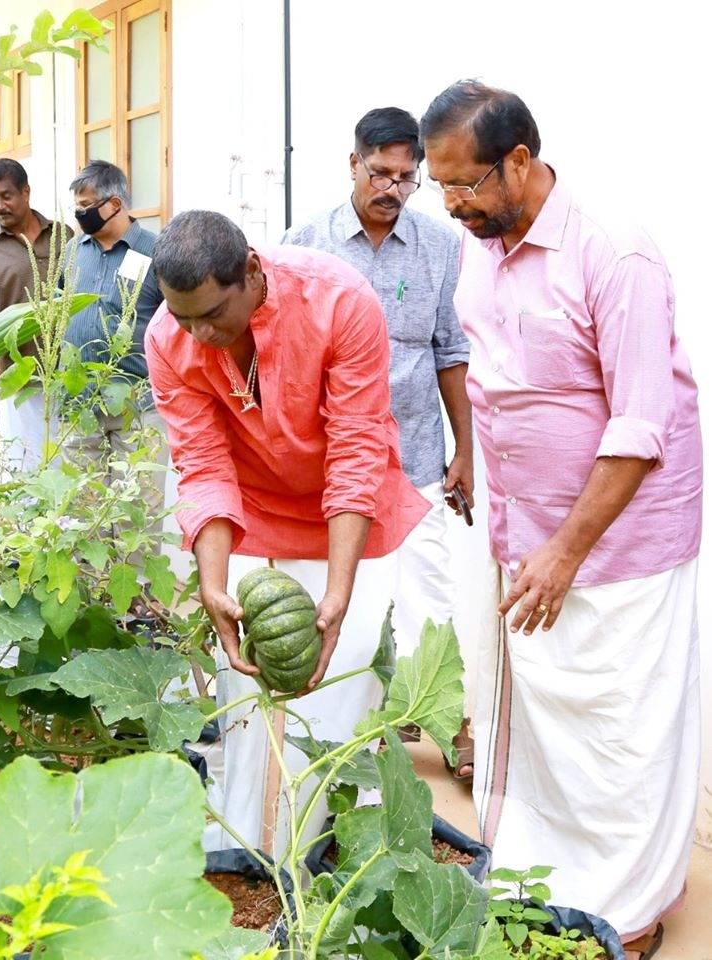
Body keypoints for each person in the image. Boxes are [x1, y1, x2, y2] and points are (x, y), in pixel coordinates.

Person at [419, 79, 702, 960]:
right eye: (441, 188)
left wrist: (565, 552)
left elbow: (638, 425)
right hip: (524, 528)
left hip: (616, 542)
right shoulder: (483, 243)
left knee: (617, 728)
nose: (453, 205)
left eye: (466, 185)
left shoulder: (613, 254)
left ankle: (626, 904)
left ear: (519, 161)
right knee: (546, 725)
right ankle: (551, 873)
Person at [144, 210, 429, 857]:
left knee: (342, 704)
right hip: (250, 516)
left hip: (349, 522)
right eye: (181, 317)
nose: (196, 334)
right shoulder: (170, 336)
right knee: (247, 710)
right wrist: (212, 584)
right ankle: (255, 862)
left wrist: (336, 592)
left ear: (250, 271)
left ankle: (343, 869)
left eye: (211, 314)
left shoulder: (339, 301)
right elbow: (202, 463)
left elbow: (355, 453)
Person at [282, 106, 475, 777]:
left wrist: (465, 450)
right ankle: (355, 734)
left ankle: (447, 726)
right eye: (380, 173)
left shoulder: (440, 247)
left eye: (405, 177)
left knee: (431, 601)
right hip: (333, 464)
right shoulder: (303, 244)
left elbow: (449, 350)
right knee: (351, 604)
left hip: (415, 455)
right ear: (353, 166)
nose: (391, 188)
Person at [60, 160, 168, 589]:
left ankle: (136, 602)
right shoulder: (72, 253)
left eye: (87, 205)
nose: (80, 214)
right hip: (80, 399)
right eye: (77, 206)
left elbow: (178, 323)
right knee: (82, 502)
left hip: (138, 401)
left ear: (115, 203)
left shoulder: (156, 252)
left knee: (137, 506)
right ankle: (90, 597)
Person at [0, 158, 72, 473]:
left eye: (5, 195)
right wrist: (11, 325)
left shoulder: (63, 234)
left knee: (73, 465)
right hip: (23, 375)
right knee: (29, 469)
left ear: (26, 192)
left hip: (72, 371)